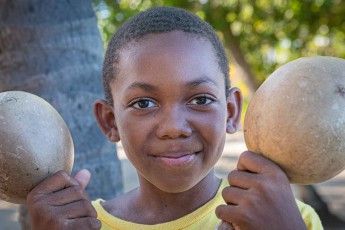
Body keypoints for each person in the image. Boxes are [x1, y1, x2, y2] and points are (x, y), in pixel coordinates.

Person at [27, 6, 323, 230]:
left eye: (201, 100)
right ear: (110, 121)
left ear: (231, 111)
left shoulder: (287, 218)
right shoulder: (76, 225)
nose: (173, 128)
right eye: (144, 103)